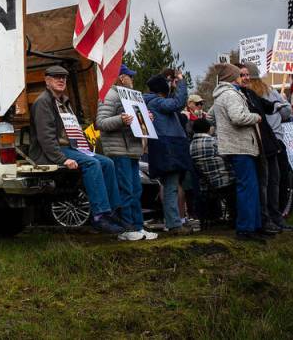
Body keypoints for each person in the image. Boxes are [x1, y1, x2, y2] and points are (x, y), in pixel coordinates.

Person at [30, 65, 123, 234]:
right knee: (92, 163)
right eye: (56, 77)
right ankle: (99, 216)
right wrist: (62, 159)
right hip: (51, 151)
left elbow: (74, 130)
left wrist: (84, 147)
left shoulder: (64, 101)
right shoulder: (43, 102)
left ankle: (113, 211)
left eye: (63, 77)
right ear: (47, 80)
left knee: (107, 162)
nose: (61, 80)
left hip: (71, 147)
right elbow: (46, 138)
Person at [97, 65, 159, 241]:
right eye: (130, 77)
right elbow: (100, 122)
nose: (132, 80)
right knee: (126, 190)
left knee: (135, 190)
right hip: (118, 151)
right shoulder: (109, 95)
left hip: (131, 150)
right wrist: (121, 119)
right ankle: (126, 229)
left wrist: (145, 118)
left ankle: (138, 227)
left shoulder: (130, 97)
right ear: (121, 78)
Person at [207, 63, 264, 242]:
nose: (242, 78)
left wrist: (223, 130)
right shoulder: (231, 94)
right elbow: (238, 117)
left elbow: (209, 117)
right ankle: (246, 229)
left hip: (236, 146)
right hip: (240, 147)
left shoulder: (221, 95)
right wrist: (256, 117)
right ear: (232, 78)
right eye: (239, 75)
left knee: (249, 187)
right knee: (247, 187)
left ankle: (252, 226)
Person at [238, 62, 292, 234]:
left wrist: (279, 105)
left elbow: (282, 110)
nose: (245, 79)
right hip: (260, 142)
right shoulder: (241, 95)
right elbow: (286, 113)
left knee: (271, 182)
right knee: (268, 183)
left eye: (247, 75)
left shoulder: (259, 93)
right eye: (242, 75)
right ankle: (268, 218)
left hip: (268, 141)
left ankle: (272, 218)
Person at [144, 71, 193, 233]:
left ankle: (173, 222)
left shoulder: (153, 102)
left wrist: (173, 88)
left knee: (170, 186)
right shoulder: (157, 102)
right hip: (169, 148)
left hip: (165, 147)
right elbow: (177, 103)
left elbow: (171, 102)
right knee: (171, 186)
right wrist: (181, 83)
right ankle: (174, 224)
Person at [189, 117, 234, 225]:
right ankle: (236, 216)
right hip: (223, 181)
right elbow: (228, 156)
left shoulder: (190, 145)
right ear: (209, 129)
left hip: (205, 183)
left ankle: (213, 216)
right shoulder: (213, 141)